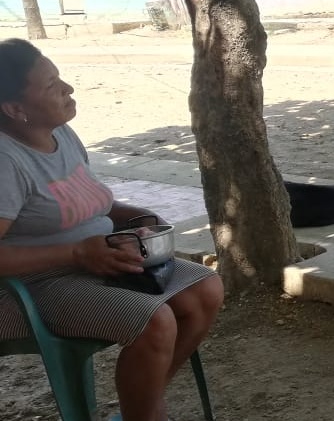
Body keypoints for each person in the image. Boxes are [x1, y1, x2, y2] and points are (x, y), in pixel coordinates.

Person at [0, 38, 224, 421]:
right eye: (51, 86)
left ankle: (139, 406)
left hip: (97, 262)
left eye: (60, 78)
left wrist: (133, 216)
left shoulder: (62, 135)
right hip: (33, 287)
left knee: (205, 290)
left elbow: (86, 203)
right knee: (156, 321)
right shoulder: (6, 161)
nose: (67, 89)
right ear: (15, 108)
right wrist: (76, 253)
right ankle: (147, 413)